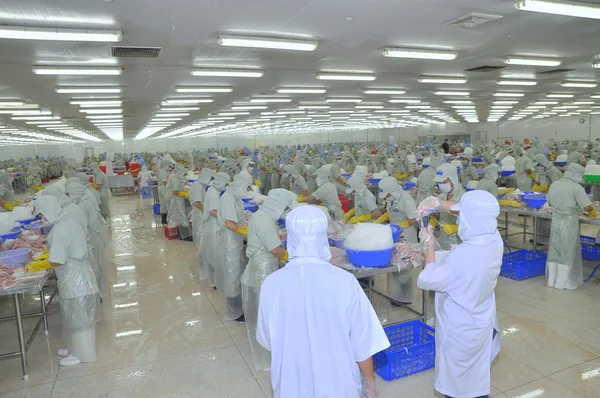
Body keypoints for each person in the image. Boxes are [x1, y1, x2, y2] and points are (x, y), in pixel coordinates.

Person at [257, 205, 390, 398]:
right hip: (338, 385)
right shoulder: (345, 282)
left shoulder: (271, 284)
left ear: (289, 237)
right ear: (322, 237)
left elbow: (267, 339)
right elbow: (363, 342)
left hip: (291, 386)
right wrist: (369, 384)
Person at [417, 191, 502, 398]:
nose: (460, 218)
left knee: (459, 386)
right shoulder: (493, 238)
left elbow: (427, 278)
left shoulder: (464, 258)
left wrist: (428, 245)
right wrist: (437, 203)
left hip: (459, 329)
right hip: (481, 319)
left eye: (462, 216)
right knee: (475, 378)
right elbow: (471, 212)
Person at [34, 196, 99, 367]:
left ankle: (82, 354)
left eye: (42, 214)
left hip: (75, 279)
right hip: (77, 275)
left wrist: (39, 264)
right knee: (73, 316)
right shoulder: (67, 222)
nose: (42, 218)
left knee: (79, 319)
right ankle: (73, 348)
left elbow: (57, 260)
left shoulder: (60, 230)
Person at [242, 189, 296, 372]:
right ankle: (268, 355)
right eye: (285, 207)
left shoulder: (261, 216)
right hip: (264, 267)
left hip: (261, 264)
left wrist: (277, 237)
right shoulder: (264, 220)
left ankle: (270, 347)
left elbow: (266, 239)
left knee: (264, 308)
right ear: (278, 205)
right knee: (267, 309)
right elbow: (275, 251)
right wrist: (293, 256)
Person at [546, 164, 595, 289]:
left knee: (554, 250)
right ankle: (562, 283)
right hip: (568, 223)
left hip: (556, 221)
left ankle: (551, 281)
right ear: (577, 175)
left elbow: (550, 202)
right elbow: (588, 207)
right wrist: (593, 213)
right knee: (567, 251)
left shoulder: (554, 185)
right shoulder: (576, 188)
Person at [376, 177, 418, 304]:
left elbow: (415, 219)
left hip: (406, 235)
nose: (386, 196)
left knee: (405, 267)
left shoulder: (406, 199)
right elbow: (390, 212)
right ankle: (397, 294)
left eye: (387, 194)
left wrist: (402, 224)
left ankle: (406, 298)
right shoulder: (390, 198)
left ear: (393, 190)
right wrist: (382, 219)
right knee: (396, 265)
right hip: (394, 234)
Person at [216, 176, 251, 322]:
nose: (247, 191)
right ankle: (233, 312)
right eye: (246, 187)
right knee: (232, 275)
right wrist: (246, 232)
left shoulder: (234, 197)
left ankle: (238, 307)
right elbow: (229, 223)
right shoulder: (228, 198)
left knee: (236, 274)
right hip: (230, 242)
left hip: (235, 240)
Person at [66, 181, 108, 299]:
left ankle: (97, 295)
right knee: (96, 267)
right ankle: (97, 293)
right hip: (94, 236)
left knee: (94, 268)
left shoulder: (82, 204)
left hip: (91, 239)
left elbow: (83, 225)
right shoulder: (85, 199)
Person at [199, 172, 230, 288]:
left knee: (212, 255)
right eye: (225, 183)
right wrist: (224, 218)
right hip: (213, 228)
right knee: (215, 256)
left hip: (212, 226)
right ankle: (216, 282)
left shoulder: (212, 190)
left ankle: (214, 281)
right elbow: (212, 211)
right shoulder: (213, 194)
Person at [533, 154, 562, 246]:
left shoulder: (553, 171)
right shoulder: (540, 170)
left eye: (538, 165)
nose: (538, 167)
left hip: (552, 196)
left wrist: (545, 187)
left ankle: (546, 239)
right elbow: (537, 181)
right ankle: (539, 237)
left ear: (542, 163)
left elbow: (557, 185)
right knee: (538, 216)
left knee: (546, 218)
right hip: (542, 196)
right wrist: (535, 187)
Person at [433, 163, 465, 250]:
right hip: (443, 239)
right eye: (439, 183)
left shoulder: (464, 197)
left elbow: (470, 223)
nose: (441, 185)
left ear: (453, 179)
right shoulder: (442, 196)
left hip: (458, 241)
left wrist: (455, 228)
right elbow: (440, 216)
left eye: (444, 182)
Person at [190, 169, 215, 277]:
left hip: (201, 215)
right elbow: (196, 203)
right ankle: (203, 266)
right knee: (200, 240)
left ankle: (204, 263)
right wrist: (208, 209)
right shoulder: (198, 187)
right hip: (199, 216)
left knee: (202, 241)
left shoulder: (200, 185)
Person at [168, 164, 192, 240]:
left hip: (180, 200)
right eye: (184, 174)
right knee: (182, 217)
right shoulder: (176, 180)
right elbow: (174, 192)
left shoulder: (179, 179)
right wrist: (183, 193)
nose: (184, 176)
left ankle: (182, 235)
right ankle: (186, 236)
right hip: (177, 201)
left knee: (181, 217)